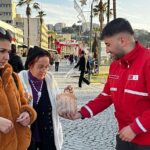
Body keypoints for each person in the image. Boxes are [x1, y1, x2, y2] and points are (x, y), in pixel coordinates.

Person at [62, 18, 150, 150]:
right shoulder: (115, 65)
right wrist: (81, 113)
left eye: (108, 44)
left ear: (122, 40)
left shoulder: (147, 61)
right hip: (124, 138)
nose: (107, 50)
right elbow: (106, 96)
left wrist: (135, 128)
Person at [18, 46, 70, 150]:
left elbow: (59, 108)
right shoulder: (19, 80)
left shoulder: (50, 80)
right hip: (27, 137)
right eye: (40, 66)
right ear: (30, 65)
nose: (44, 70)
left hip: (48, 137)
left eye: (47, 66)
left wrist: (66, 96)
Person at [0, 27, 37, 150]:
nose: (7, 57)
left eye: (8, 52)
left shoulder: (13, 77)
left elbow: (24, 103)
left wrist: (27, 114)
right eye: (1, 51)